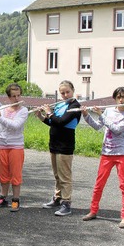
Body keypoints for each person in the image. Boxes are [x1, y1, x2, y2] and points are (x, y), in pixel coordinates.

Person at [81, 87, 124, 228]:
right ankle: (93, 211)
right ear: (114, 98)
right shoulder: (109, 111)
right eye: (118, 97)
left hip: (122, 154)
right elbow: (97, 126)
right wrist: (86, 115)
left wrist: (101, 115)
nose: (120, 100)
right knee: (99, 184)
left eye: (123, 97)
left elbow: (117, 130)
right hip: (106, 153)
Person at [35, 80, 81, 216]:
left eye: (67, 92)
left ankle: (66, 203)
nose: (65, 95)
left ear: (73, 90)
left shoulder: (75, 106)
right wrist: (41, 116)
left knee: (65, 176)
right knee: (57, 175)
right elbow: (53, 122)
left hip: (65, 145)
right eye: (62, 93)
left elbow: (61, 122)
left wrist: (49, 112)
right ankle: (57, 198)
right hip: (54, 144)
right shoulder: (61, 105)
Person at [0, 83, 28, 212]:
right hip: (2, 145)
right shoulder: (3, 108)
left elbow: (15, 126)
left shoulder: (23, 110)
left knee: (15, 174)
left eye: (18, 95)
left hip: (16, 146)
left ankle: (16, 200)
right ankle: (3, 197)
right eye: (14, 96)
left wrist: (0, 117)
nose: (17, 98)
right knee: (3, 174)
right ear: (9, 97)